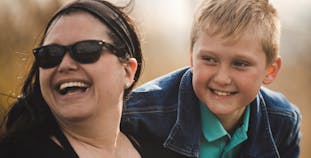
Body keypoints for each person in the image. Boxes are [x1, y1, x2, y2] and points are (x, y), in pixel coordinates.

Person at [121, 0, 301, 157]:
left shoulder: (283, 122)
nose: (222, 78)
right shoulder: (140, 116)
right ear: (192, 59)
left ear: (270, 70)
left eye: (240, 64)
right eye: (209, 59)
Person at [0, 0, 143, 157]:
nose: (65, 65)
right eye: (50, 54)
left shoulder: (160, 146)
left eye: (86, 50)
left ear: (128, 71)